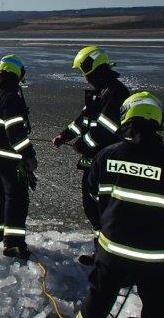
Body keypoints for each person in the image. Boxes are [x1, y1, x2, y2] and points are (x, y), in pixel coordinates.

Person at [68, 92, 164, 318]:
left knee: (98, 301)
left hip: (113, 250)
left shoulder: (107, 155)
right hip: (154, 257)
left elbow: (95, 194)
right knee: (158, 313)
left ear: (126, 118)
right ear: (158, 122)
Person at [52, 45, 129, 264]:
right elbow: (83, 120)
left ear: (93, 69)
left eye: (84, 72)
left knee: (103, 208)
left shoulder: (116, 92)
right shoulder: (100, 92)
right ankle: (102, 253)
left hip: (109, 160)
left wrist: (83, 145)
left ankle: (110, 255)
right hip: (95, 159)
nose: (84, 78)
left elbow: (107, 128)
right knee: (92, 207)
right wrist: (64, 136)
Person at [0, 54, 37, 259]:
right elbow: (15, 132)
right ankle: (13, 244)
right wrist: (29, 155)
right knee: (16, 199)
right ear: (17, 74)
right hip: (8, 158)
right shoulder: (11, 98)